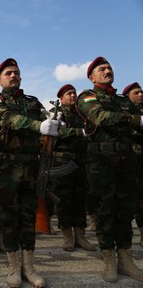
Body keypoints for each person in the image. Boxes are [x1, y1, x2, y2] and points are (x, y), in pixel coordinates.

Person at [0, 58, 60, 288]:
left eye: (16, 72)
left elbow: (45, 121)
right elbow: (7, 119)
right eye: (8, 73)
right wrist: (38, 126)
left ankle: (29, 267)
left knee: (28, 217)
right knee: (8, 217)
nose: (13, 75)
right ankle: (13, 267)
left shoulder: (32, 101)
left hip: (30, 165)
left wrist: (55, 122)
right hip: (6, 168)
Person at [76, 57, 143, 283]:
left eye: (109, 68)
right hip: (101, 160)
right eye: (101, 69)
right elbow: (101, 117)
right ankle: (108, 260)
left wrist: (136, 122)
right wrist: (137, 120)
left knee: (125, 210)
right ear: (91, 77)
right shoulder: (87, 97)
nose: (107, 71)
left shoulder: (124, 101)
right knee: (105, 210)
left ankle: (126, 259)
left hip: (126, 159)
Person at [52, 84, 95, 252]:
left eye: (74, 93)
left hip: (81, 160)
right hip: (63, 161)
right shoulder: (57, 112)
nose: (72, 95)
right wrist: (79, 132)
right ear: (61, 98)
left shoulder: (82, 113)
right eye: (68, 93)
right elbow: (59, 132)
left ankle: (81, 236)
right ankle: (67, 236)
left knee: (80, 199)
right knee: (64, 200)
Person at [122, 82, 143, 248]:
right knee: (138, 200)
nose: (141, 95)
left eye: (141, 92)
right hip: (134, 160)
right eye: (136, 93)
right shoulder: (126, 114)